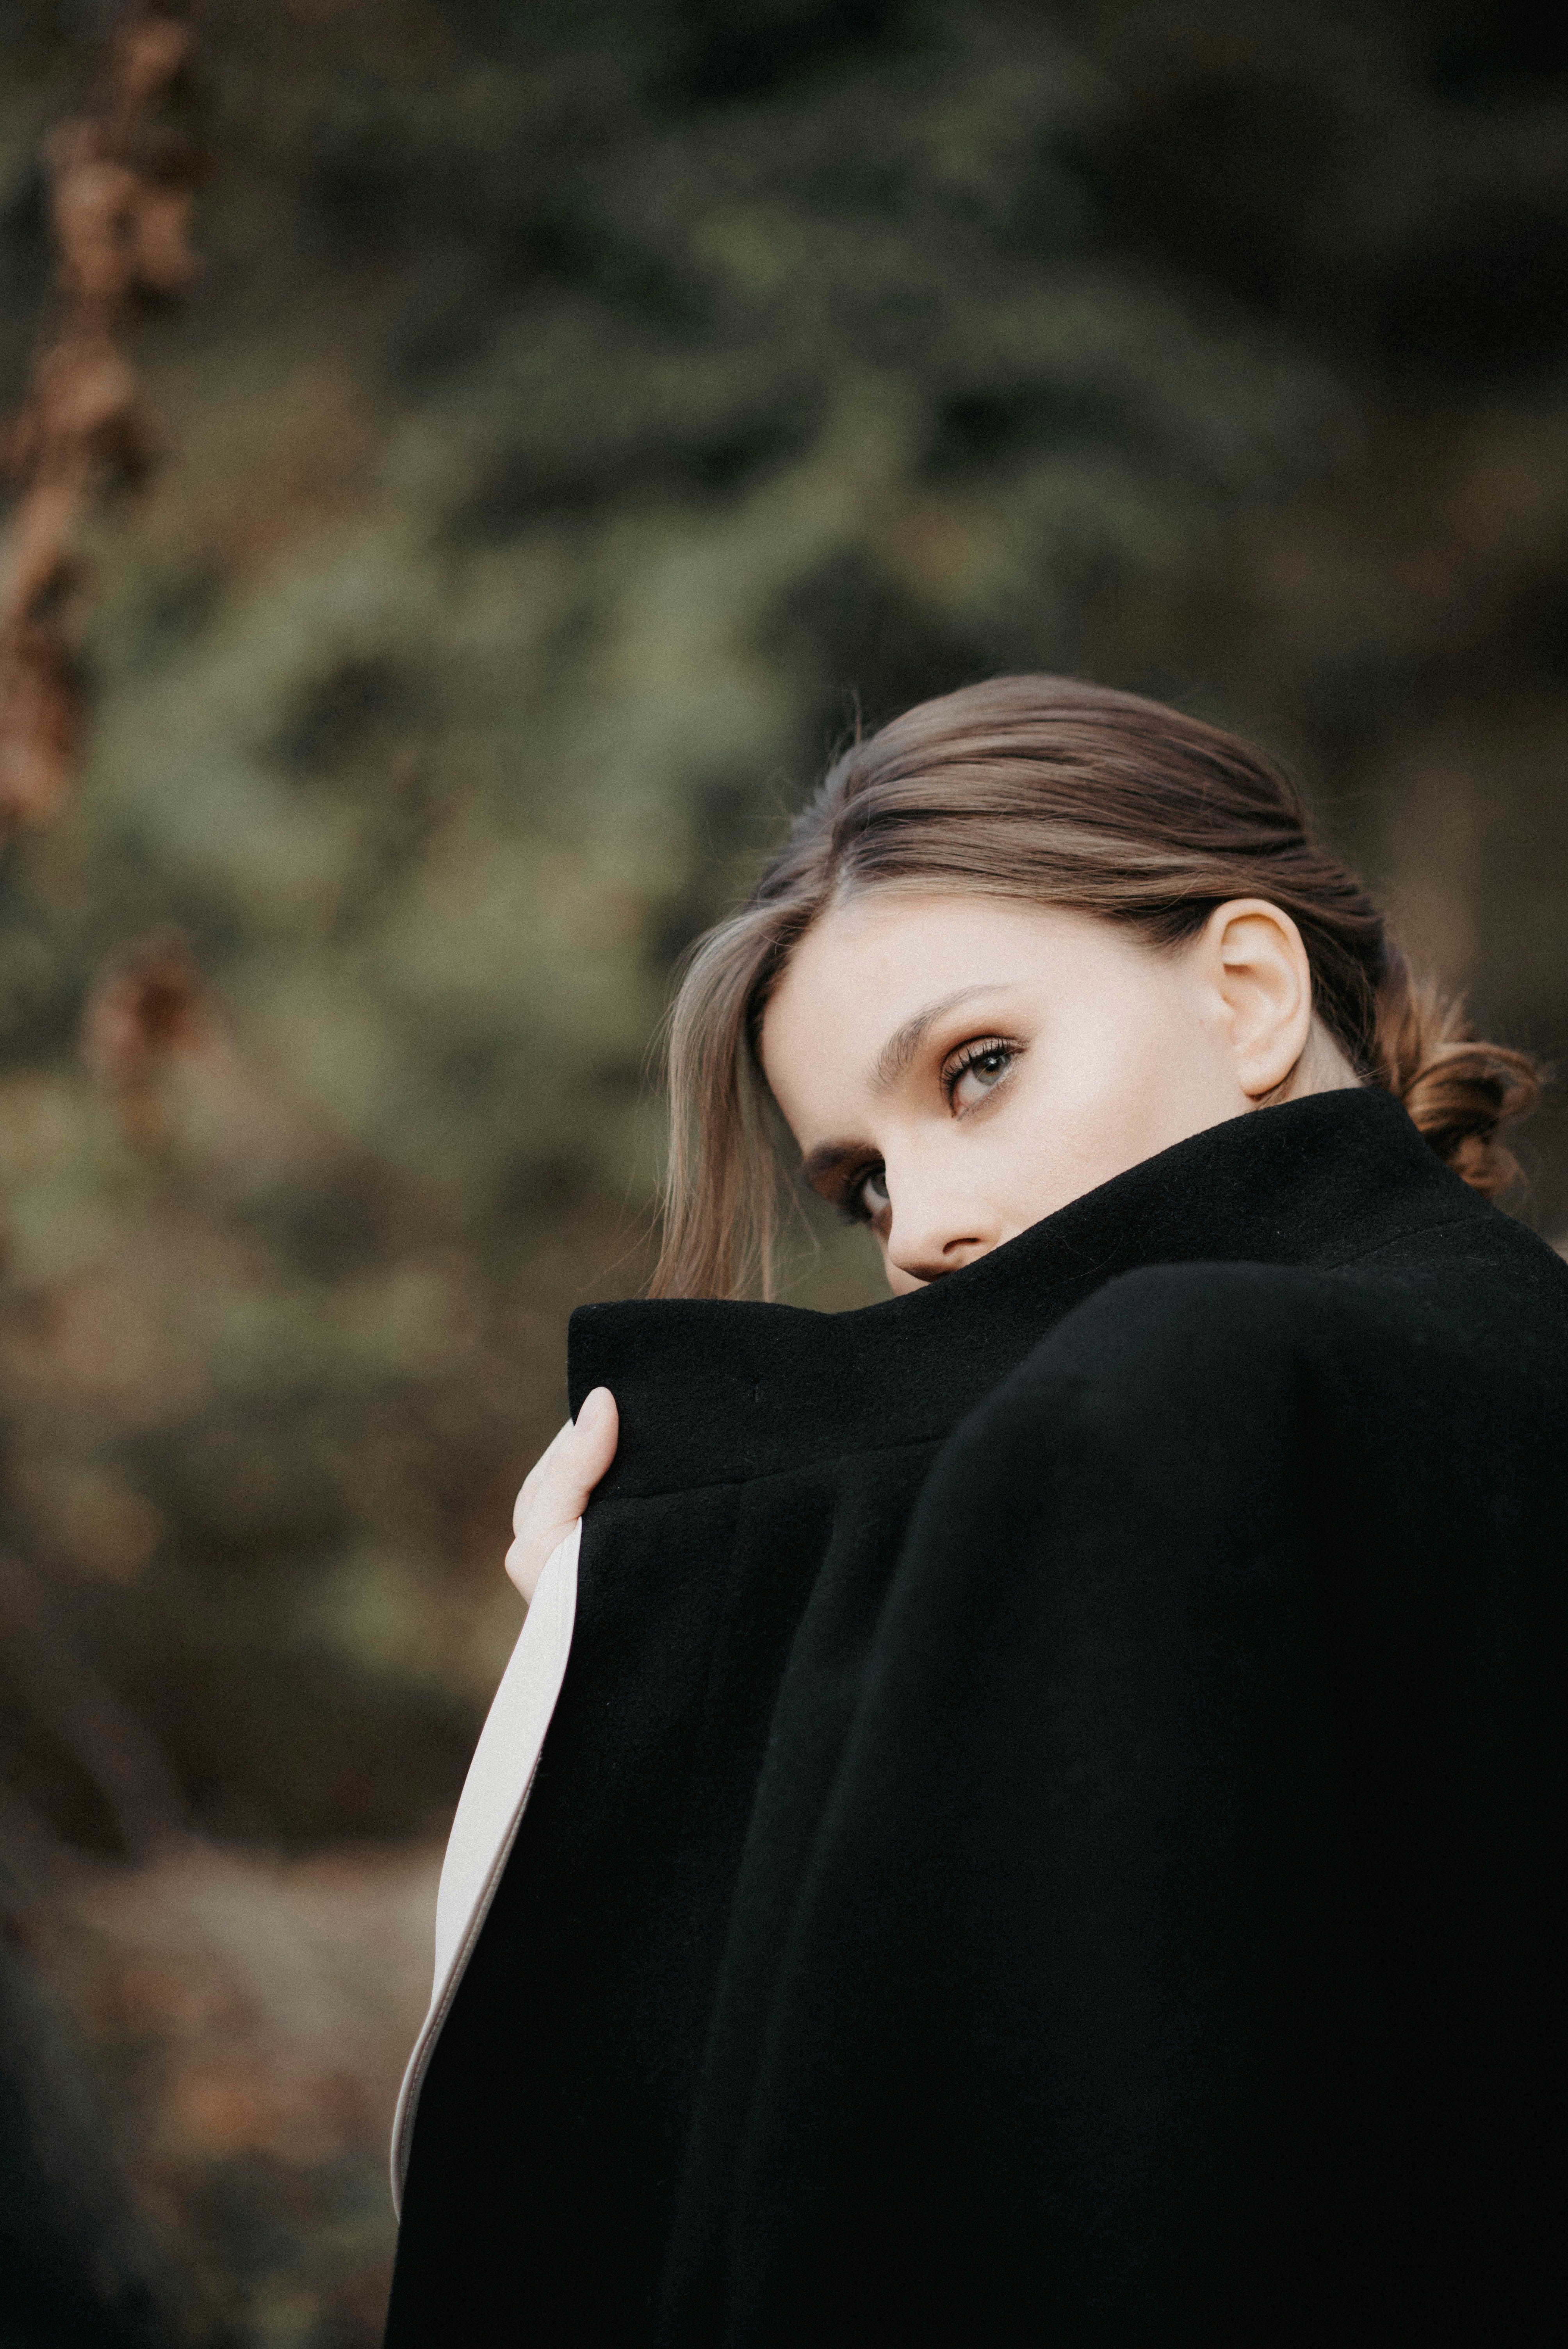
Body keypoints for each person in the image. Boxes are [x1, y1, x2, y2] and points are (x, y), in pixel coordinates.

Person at [382, 677, 1568, 2347]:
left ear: (1245, 990)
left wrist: (660, 1652)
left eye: (978, 1065)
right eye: (859, 1180)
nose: (915, 1228)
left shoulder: (1172, 1390)